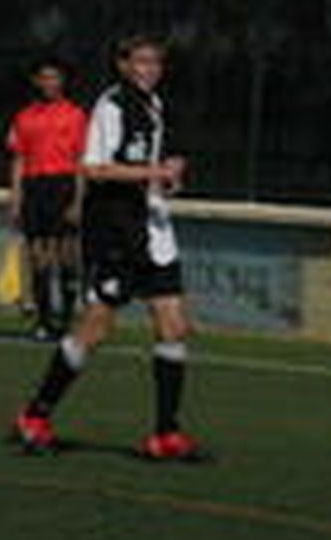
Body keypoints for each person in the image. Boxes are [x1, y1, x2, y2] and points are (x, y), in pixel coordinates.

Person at [12, 35, 201, 462]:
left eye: (156, 62)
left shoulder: (154, 105)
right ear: (122, 64)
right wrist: (154, 172)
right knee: (94, 329)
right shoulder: (111, 106)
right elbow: (94, 169)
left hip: (155, 230)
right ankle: (35, 415)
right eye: (141, 61)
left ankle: (166, 434)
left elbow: (149, 168)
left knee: (174, 326)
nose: (149, 69)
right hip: (117, 233)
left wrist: (169, 174)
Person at [6, 58, 87, 340]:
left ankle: (67, 319)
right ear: (36, 81)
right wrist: (16, 198)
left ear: (63, 82)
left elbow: (81, 161)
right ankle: (43, 320)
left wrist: (78, 200)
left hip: (63, 184)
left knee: (67, 255)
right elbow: (18, 159)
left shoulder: (75, 115)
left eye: (55, 77)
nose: (50, 83)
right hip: (35, 186)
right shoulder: (24, 116)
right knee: (38, 256)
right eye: (45, 77)